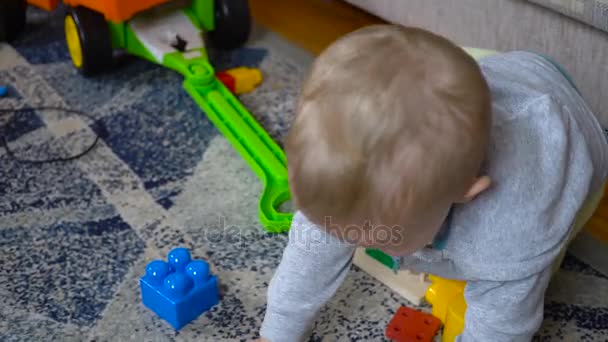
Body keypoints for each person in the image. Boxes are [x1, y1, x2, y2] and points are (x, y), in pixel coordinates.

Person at [257, 24, 608, 341]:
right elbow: (309, 254)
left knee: (530, 265)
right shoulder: (337, 177)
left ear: (467, 192)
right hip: (506, 73)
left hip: (573, 141)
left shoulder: (515, 225)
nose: (347, 241)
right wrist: (276, 334)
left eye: (382, 236)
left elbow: (501, 327)